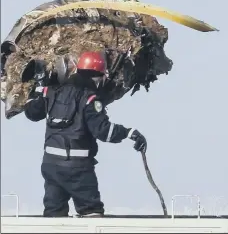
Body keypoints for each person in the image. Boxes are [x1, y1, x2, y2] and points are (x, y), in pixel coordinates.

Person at [24, 51, 147, 218]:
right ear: (98, 76)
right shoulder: (90, 99)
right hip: (77, 169)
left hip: (51, 167)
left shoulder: (52, 92)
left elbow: (31, 112)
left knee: (54, 216)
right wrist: (128, 132)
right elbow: (103, 131)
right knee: (92, 214)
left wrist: (39, 86)